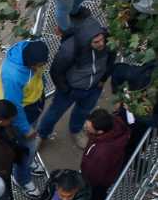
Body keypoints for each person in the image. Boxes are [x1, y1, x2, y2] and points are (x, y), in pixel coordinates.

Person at [39, 15, 111, 145]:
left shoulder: (107, 42)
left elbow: (111, 61)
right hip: (71, 89)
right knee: (55, 112)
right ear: (86, 40)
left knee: (83, 111)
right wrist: (66, 90)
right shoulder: (69, 50)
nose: (102, 44)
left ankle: (76, 130)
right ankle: (42, 134)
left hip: (94, 88)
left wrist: (103, 79)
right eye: (96, 42)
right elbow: (56, 71)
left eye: (102, 40)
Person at [0, 38, 51, 195]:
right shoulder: (13, 76)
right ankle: (21, 178)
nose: (39, 68)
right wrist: (26, 128)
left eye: (41, 65)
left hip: (33, 106)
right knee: (25, 148)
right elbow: (14, 108)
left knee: (30, 146)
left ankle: (27, 163)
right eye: (37, 66)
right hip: (22, 114)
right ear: (29, 63)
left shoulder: (32, 54)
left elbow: (38, 76)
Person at [80, 107, 132, 200]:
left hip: (97, 183)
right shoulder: (114, 127)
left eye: (88, 127)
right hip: (106, 175)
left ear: (100, 132)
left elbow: (95, 177)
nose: (85, 127)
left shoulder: (102, 152)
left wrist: (84, 181)